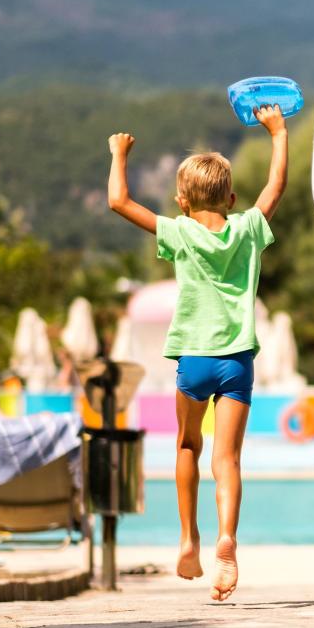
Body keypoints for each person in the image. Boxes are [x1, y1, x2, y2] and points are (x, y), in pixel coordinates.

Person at [106, 104, 288, 601]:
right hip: (237, 363)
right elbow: (275, 188)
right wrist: (278, 133)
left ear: (182, 201)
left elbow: (119, 202)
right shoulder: (248, 229)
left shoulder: (180, 232)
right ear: (231, 197)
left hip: (194, 361)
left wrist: (119, 154)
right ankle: (228, 536)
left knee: (188, 445)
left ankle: (190, 539)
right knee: (227, 460)